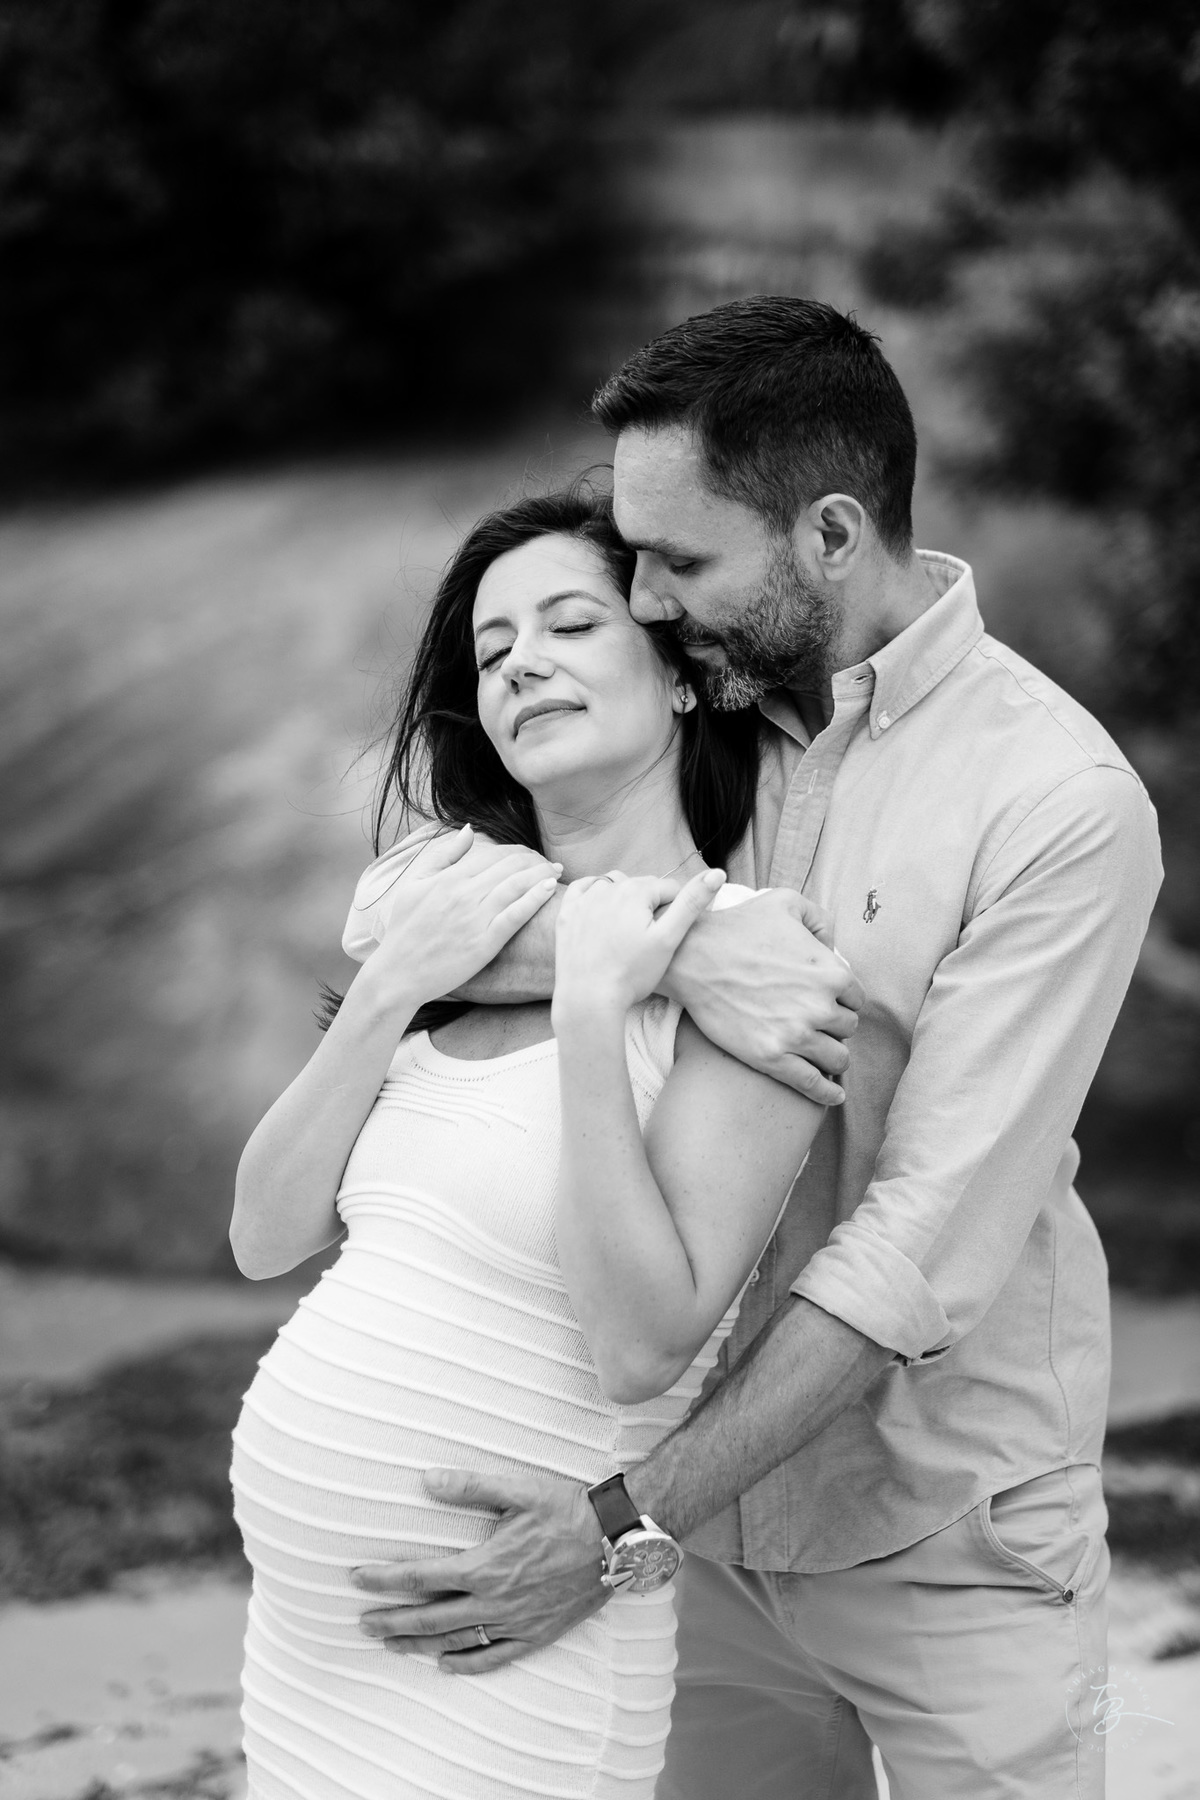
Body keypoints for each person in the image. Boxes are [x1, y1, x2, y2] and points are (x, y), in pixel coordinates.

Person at [353, 298, 1164, 1799]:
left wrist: (615, 1525)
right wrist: (680, 946)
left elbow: (917, 1244)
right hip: (706, 1550)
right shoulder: (697, 716)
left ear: (834, 536)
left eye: (682, 561)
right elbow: (401, 905)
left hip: (945, 1531)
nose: (644, 602)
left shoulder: (1058, 803)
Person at [227, 487, 841, 1800]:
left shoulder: (760, 962)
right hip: (307, 1664)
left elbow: (641, 1349)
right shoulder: (444, 912)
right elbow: (265, 1234)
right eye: (494, 650)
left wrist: (588, 1014)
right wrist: (395, 989)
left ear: (680, 676)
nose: (522, 663)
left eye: (570, 623)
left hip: (511, 1649)